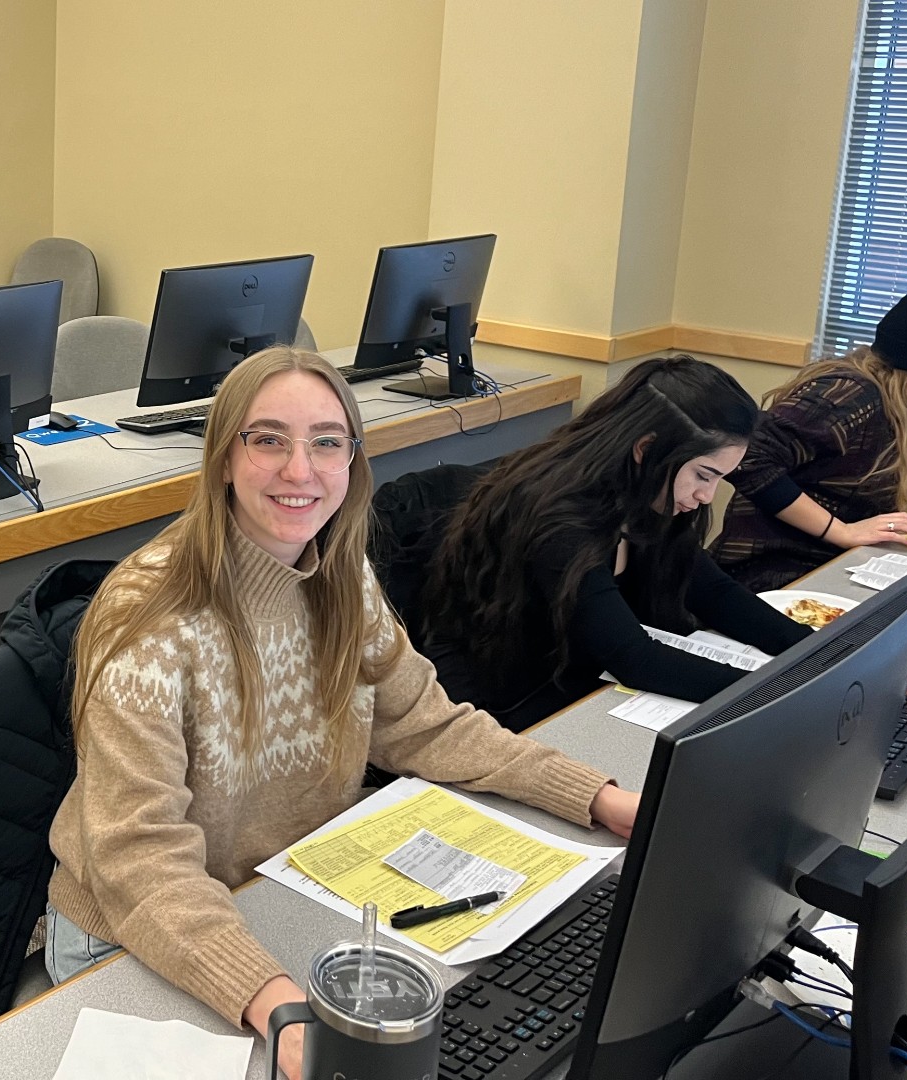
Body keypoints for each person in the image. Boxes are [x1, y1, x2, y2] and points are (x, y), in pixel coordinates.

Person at [44, 346, 638, 1080]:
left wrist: (603, 799)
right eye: (268, 440)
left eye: (327, 442)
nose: (301, 471)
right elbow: (140, 861)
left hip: (279, 890)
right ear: (222, 458)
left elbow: (427, 724)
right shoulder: (150, 619)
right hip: (132, 932)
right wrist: (282, 1009)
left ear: (353, 461)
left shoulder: (338, 574)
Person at [419, 356, 816, 734]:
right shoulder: (556, 517)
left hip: (582, 680)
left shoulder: (648, 496)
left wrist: (815, 652)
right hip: (511, 702)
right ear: (645, 449)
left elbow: (713, 591)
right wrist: (774, 692)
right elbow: (634, 659)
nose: (707, 496)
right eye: (703, 475)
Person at [710, 280, 907, 592]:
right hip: (775, 575)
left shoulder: (894, 402)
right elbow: (747, 457)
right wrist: (842, 532)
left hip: (836, 564)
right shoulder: (847, 396)